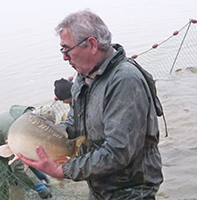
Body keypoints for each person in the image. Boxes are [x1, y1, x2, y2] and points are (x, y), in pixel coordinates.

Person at [18, 10, 163, 199]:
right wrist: (41, 141)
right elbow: (73, 123)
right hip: (99, 186)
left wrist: (63, 170)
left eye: (66, 49)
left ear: (92, 44)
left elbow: (117, 152)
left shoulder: (125, 80)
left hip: (131, 191)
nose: (64, 57)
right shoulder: (83, 76)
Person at [0, 105, 52, 199]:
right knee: (0, 182)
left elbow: (24, 153)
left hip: (2, 143)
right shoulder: (13, 128)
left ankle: (16, 187)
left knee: (14, 180)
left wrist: (36, 171)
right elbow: (18, 165)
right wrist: (38, 186)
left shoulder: (25, 117)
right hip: (0, 148)